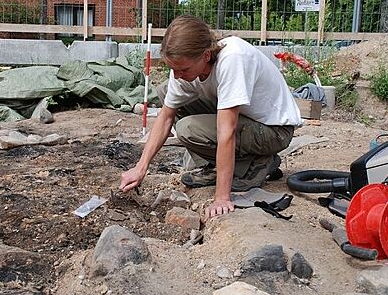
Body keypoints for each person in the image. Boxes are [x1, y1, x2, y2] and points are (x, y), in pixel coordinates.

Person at [119, 15, 302, 221]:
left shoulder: (233, 59)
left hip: (274, 131)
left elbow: (227, 131)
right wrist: (140, 167)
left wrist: (221, 197)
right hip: (249, 121)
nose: (178, 75)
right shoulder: (185, 66)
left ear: (206, 55)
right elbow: (166, 117)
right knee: (166, 92)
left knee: (188, 129)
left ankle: (256, 166)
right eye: (173, 69)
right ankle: (215, 166)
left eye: (183, 69)